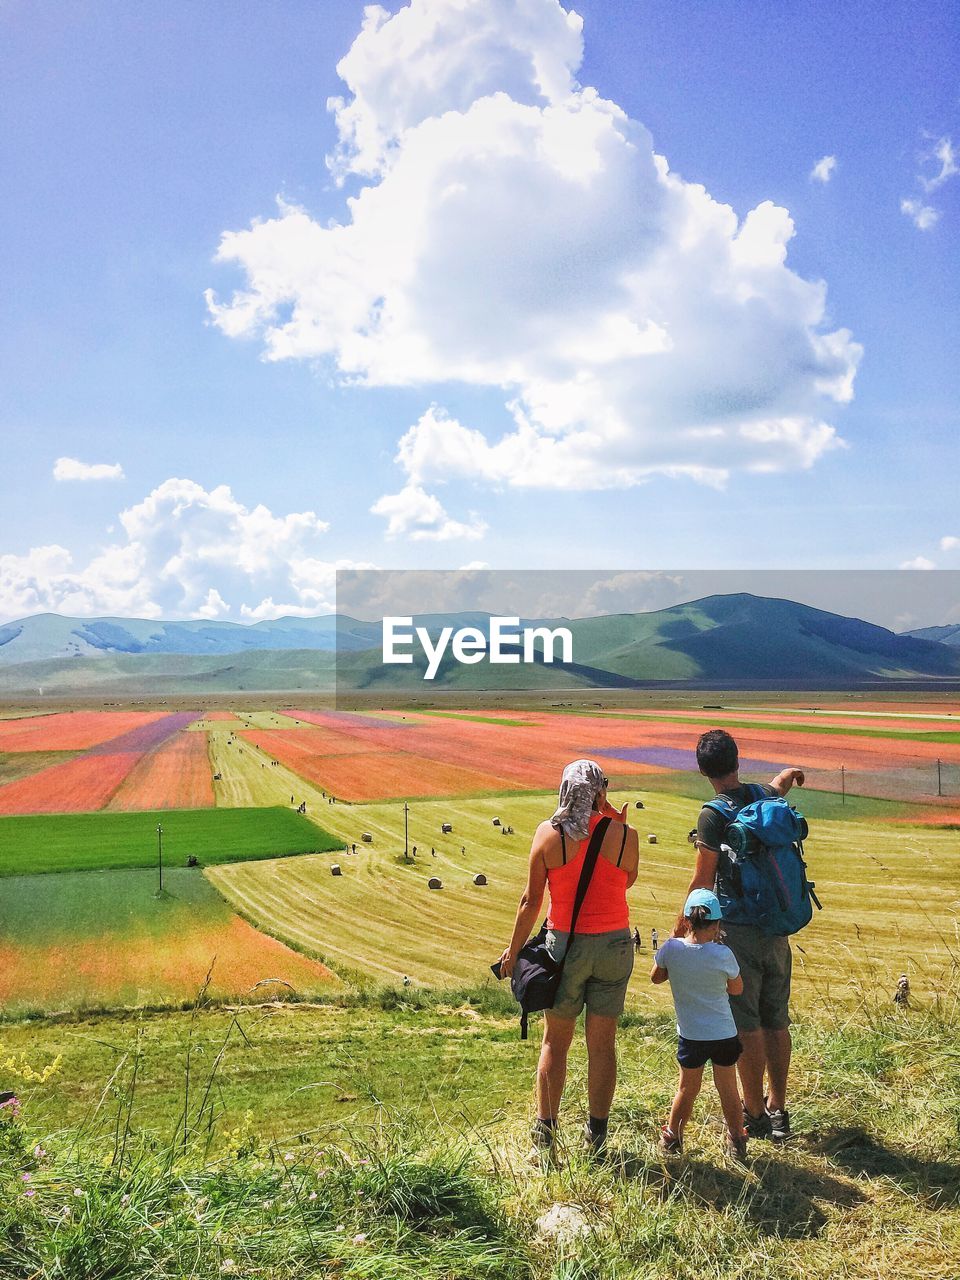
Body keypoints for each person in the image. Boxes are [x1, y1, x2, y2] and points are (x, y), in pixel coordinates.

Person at [497, 759, 639, 1163]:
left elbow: (531, 901)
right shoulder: (626, 835)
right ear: (600, 790)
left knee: (555, 1043)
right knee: (602, 1045)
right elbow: (626, 880)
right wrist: (610, 817)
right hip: (614, 946)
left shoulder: (548, 835)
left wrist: (513, 949)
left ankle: (545, 1133)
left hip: (565, 947)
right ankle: (597, 1135)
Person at [687, 729, 805, 1143]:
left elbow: (703, 880)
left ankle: (754, 1113)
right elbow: (776, 787)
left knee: (747, 1023)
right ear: (737, 760)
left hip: (738, 930)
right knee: (777, 1019)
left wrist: (682, 931)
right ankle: (778, 1108)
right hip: (778, 926)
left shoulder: (713, 814)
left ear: (704, 771)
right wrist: (786, 776)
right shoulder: (764, 797)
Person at [652, 889, 748, 1161]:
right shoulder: (723, 954)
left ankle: (672, 1137)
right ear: (717, 925)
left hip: (692, 1035)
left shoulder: (672, 949)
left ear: (686, 920)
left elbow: (656, 977)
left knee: (687, 1088)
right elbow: (737, 989)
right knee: (728, 1088)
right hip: (724, 1033)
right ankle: (737, 1139)